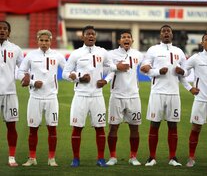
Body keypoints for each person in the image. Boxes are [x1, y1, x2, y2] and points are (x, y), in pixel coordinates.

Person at [62, 25, 129, 167]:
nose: (91, 36)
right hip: (80, 96)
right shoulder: (76, 54)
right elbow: (65, 74)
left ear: (95, 37)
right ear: (83, 37)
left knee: (99, 127)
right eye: (88, 34)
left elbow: (111, 68)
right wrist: (78, 78)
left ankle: (100, 158)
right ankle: (75, 159)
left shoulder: (103, 52)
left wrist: (106, 80)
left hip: (97, 96)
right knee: (77, 127)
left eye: (93, 34)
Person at [140, 24, 191, 167]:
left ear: (172, 34)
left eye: (169, 31)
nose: (166, 33)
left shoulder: (179, 51)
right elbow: (145, 69)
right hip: (157, 93)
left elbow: (186, 72)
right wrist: (157, 71)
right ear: (160, 35)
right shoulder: (153, 50)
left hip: (174, 93)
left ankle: (173, 158)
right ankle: (151, 157)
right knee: (154, 124)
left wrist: (183, 72)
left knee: (173, 125)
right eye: (164, 31)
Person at [17, 30, 66, 167]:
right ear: (37, 41)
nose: (44, 43)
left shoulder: (58, 56)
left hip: (51, 98)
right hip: (35, 97)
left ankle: (51, 158)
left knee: (52, 129)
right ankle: (32, 158)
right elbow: (20, 72)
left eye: (47, 40)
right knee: (33, 129)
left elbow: (67, 71)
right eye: (41, 40)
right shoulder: (31, 56)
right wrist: (32, 83)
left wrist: (77, 75)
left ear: (51, 41)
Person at [104, 31, 143, 166]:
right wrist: (116, 67)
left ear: (132, 40)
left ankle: (133, 157)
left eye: (128, 37)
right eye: (123, 37)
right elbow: (104, 68)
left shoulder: (138, 54)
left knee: (135, 128)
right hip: (116, 96)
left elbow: (145, 69)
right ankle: (113, 157)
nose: (126, 39)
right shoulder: (111, 54)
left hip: (134, 96)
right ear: (119, 41)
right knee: (113, 128)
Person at [0, 20, 24, 167]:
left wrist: (25, 77)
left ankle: (11, 157)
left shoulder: (16, 49)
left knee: (11, 126)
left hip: (10, 93)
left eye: (4, 29)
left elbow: (22, 69)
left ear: (9, 32)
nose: (1, 30)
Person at [185, 33, 207, 167]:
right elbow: (182, 72)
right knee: (196, 128)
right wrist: (189, 87)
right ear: (202, 42)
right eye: (206, 40)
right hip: (201, 99)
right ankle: (191, 157)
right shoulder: (196, 58)